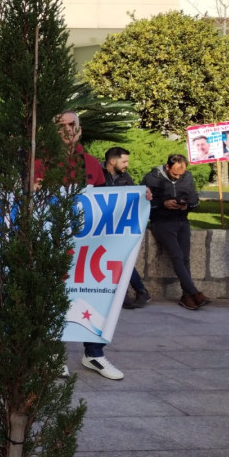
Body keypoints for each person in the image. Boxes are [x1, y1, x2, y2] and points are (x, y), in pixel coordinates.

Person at [51, 111, 122, 380]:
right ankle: (53, 353)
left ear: (79, 130)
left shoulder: (91, 163)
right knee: (55, 299)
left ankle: (94, 353)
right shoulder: (39, 162)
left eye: (72, 125)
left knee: (94, 296)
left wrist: (141, 197)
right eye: (61, 125)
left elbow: (109, 200)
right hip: (55, 244)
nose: (67, 130)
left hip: (89, 249)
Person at [143, 154, 211, 311]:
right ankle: (194, 292)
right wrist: (163, 203)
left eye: (182, 174)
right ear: (167, 167)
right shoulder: (151, 178)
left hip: (182, 221)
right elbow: (144, 203)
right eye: (175, 174)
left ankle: (187, 296)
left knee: (185, 258)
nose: (179, 177)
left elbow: (195, 201)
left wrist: (186, 205)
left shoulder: (187, 177)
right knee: (177, 256)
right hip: (162, 222)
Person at [102, 147, 152, 308]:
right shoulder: (98, 173)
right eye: (124, 161)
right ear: (112, 161)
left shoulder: (126, 178)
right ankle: (136, 291)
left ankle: (133, 292)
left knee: (121, 257)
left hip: (119, 225)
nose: (127, 165)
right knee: (118, 258)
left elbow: (134, 195)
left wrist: (145, 193)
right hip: (100, 224)